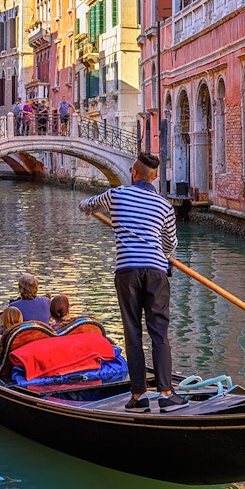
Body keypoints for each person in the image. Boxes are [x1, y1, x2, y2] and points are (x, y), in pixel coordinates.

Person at [78, 152, 187, 413]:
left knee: (133, 333)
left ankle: (138, 397)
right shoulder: (165, 206)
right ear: (156, 177)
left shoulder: (116, 195)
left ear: (133, 173)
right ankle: (166, 394)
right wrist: (163, 255)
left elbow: (86, 204)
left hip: (127, 270)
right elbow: (170, 244)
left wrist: (89, 209)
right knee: (159, 333)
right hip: (156, 271)